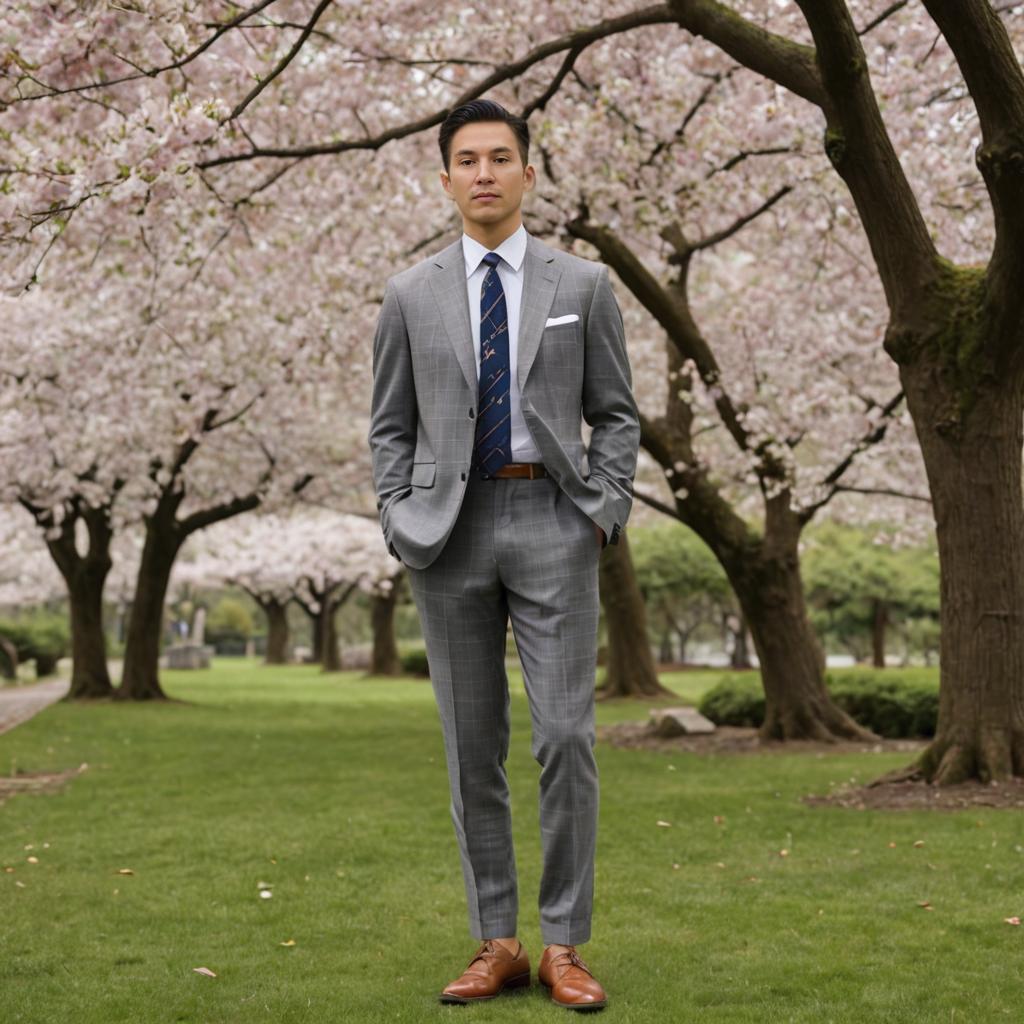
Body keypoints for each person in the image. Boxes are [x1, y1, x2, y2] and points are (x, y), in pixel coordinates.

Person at [368, 98, 640, 1011]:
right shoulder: (410, 292)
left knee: (566, 737)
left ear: (529, 171)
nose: (484, 172)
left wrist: (601, 510)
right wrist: (400, 515)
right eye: (467, 160)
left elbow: (617, 412)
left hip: (554, 522)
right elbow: (389, 426)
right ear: (445, 178)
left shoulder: (584, 286)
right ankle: (499, 942)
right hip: (446, 535)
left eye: (501, 157)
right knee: (469, 747)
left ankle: (565, 944)